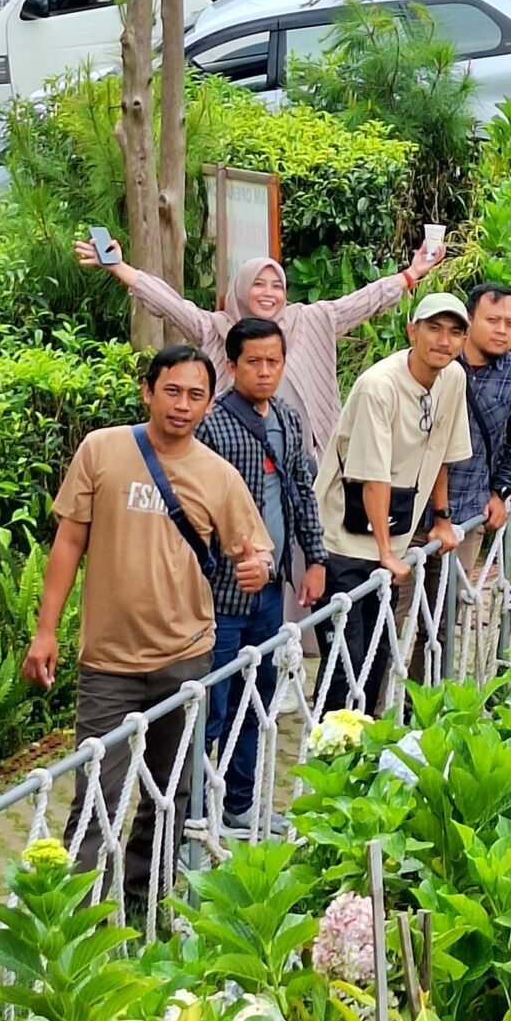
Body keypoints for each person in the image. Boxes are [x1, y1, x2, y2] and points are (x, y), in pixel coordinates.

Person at [21, 347, 272, 903]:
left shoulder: (218, 476)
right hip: (107, 662)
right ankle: (78, 921)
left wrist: (258, 569)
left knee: (169, 795)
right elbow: (69, 541)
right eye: (172, 391)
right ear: (148, 392)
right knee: (96, 795)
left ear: (208, 404)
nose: (182, 405)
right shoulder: (102, 449)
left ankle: (145, 907)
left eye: (195, 395)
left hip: (185, 657)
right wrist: (46, 631)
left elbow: (255, 552)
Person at [72, 236, 444, 453]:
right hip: (234, 456)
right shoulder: (217, 329)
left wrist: (411, 274)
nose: (269, 293)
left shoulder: (312, 320)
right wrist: (119, 267)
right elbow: (170, 304)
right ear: (240, 289)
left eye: (277, 285)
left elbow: (364, 301)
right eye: (258, 284)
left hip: (306, 458)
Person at [195, 317, 327, 833]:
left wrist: (314, 559)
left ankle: (240, 803)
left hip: (271, 591)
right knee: (212, 703)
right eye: (254, 361)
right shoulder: (212, 426)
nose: (265, 371)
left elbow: (302, 493)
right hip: (219, 594)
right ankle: (191, 816)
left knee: (257, 695)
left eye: (274, 361)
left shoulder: (289, 419)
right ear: (232, 365)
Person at [314, 294, 470, 713]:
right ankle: (327, 746)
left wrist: (442, 518)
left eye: (455, 332)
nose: (443, 341)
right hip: (343, 539)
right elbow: (373, 476)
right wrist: (385, 552)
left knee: (377, 655)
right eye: (433, 328)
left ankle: (365, 740)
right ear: (411, 330)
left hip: (395, 537)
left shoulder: (453, 378)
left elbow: (442, 448)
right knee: (344, 660)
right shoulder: (378, 387)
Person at [447, 282, 511, 555]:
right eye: (492, 320)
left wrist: (501, 492)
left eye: (510, 324)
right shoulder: (442, 359)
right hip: (415, 509)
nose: (502, 330)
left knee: (459, 583)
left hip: (469, 508)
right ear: (469, 319)